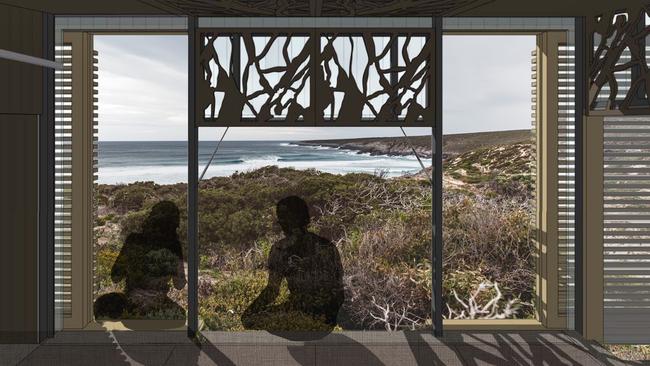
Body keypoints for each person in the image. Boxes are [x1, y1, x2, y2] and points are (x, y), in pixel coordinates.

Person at [241, 196, 344, 333]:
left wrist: (249, 313)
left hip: (306, 317)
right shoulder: (327, 246)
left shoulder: (280, 250)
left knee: (250, 319)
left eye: (284, 218)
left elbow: (272, 291)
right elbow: (339, 291)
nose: (282, 222)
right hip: (326, 321)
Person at [94, 200, 186, 321]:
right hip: (158, 305)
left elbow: (115, 277)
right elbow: (179, 285)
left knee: (102, 304)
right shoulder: (174, 246)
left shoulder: (133, 240)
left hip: (131, 303)